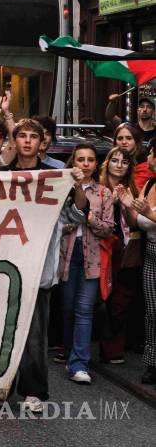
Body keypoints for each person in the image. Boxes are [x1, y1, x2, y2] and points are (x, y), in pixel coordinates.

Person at [57, 143, 114, 385]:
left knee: (84, 310)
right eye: (81, 159)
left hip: (92, 257)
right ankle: (70, 351)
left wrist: (89, 220)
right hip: (67, 255)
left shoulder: (103, 193)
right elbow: (54, 222)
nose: (86, 164)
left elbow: (108, 228)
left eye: (90, 159)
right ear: (74, 162)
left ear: (96, 163)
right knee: (68, 308)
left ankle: (79, 363)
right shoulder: (62, 187)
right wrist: (66, 226)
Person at [98, 147, 142, 366]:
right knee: (96, 299)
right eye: (114, 160)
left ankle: (112, 348)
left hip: (125, 249)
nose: (119, 165)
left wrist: (126, 205)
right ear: (107, 163)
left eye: (124, 162)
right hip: (99, 247)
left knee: (121, 300)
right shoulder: (97, 186)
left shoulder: (133, 188)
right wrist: (111, 202)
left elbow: (135, 223)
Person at [127, 140, 156, 387]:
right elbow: (136, 221)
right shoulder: (149, 183)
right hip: (151, 251)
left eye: (152, 153)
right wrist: (128, 205)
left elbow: (147, 215)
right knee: (152, 311)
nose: (149, 158)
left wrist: (148, 213)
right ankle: (152, 363)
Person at [113, 123, 152, 191]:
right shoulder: (109, 159)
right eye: (120, 138)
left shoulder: (145, 164)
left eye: (129, 138)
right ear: (115, 142)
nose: (124, 142)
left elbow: (134, 192)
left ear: (136, 141)